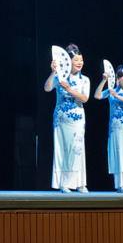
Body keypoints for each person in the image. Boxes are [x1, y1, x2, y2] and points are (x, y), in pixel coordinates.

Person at [44, 44, 90, 193]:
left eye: (81, 60)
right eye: (76, 60)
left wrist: (69, 89)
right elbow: (47, 88)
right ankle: (64, 183)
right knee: (62, 149)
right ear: (68, 62)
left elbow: (85, 98)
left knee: (76, 149)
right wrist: (53, 72)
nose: (79, 62)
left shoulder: (85, 80)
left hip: (77, 119)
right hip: (61, 119)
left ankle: (79, 183)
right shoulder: (60, 77)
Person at [94, 65, 123, 193]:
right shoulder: (111, 91)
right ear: (118, 79)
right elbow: (97, 96)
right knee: (118, 152)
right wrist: (104, 81)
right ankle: (121, 184)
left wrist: (117, 96)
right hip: (116, 128)